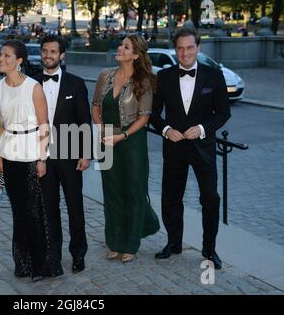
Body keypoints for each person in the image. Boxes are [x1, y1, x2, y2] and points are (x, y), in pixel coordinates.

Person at [150, 27, 231, 269]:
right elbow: (154, 113)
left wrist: (203, 128)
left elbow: (223, 113)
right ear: (175, 50)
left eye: (190, 47)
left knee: (210, 198)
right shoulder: (163, 76)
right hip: (174, 147)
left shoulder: (214, 75)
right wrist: (166, 130)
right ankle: (174, 243)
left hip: (203, 147)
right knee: (171, 198)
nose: (185, 53)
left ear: (198, 48)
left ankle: (209, 250)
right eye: (180, 48)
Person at [0, 40, 63, 282]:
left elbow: (45, 126)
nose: (1, 59)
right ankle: (23, 262)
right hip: (9, 155)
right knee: (18, 211)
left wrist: (42, 158)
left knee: (35, 212)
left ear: (19, 61)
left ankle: (42, 265)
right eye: (1, 55)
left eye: (7, 56)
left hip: (32, 154)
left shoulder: (33, 87)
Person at [91, 34, 160, 263]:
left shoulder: (144, 81)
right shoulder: (105, 75)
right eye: (121, 45)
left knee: (133, 190)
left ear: (136, 55)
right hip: (106, 141)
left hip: (132, 142)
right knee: (111, 191)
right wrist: (101, 129)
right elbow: (95, 107)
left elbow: (144, 118)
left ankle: (131, 242)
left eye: (126, 46)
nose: (120, 48)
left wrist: (122, 136)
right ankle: (114, 241)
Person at [33, 35, 92, 273]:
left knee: (75, 207)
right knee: (49, 210)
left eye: (53, 51)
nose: (48, 55)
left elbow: (84, 122)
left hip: (70, 156)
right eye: (45, 51)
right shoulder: (32, 83)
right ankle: (52, 256)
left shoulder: (76, 84)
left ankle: (78, 254)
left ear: (62, 55)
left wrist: (85, 154)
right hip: (43, 157)